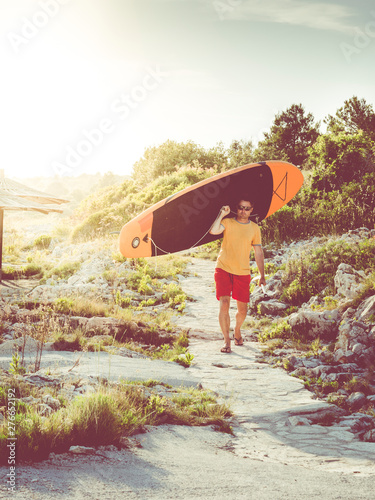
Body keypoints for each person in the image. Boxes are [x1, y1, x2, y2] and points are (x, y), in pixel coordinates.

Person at [209, 198, 266, 353]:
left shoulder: (254, 228)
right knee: (225, 303)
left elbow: (258, 251)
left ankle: (238, 330)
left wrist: (262, 275)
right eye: (241, 207)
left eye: (247, 208)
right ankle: (227, 340)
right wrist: (221, 214)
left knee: (242, 310)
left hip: (242, 271)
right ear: (236, 208)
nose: (243, 211)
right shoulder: (228, 222)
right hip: (223, 268)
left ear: (251, 210)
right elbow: (213, 231)